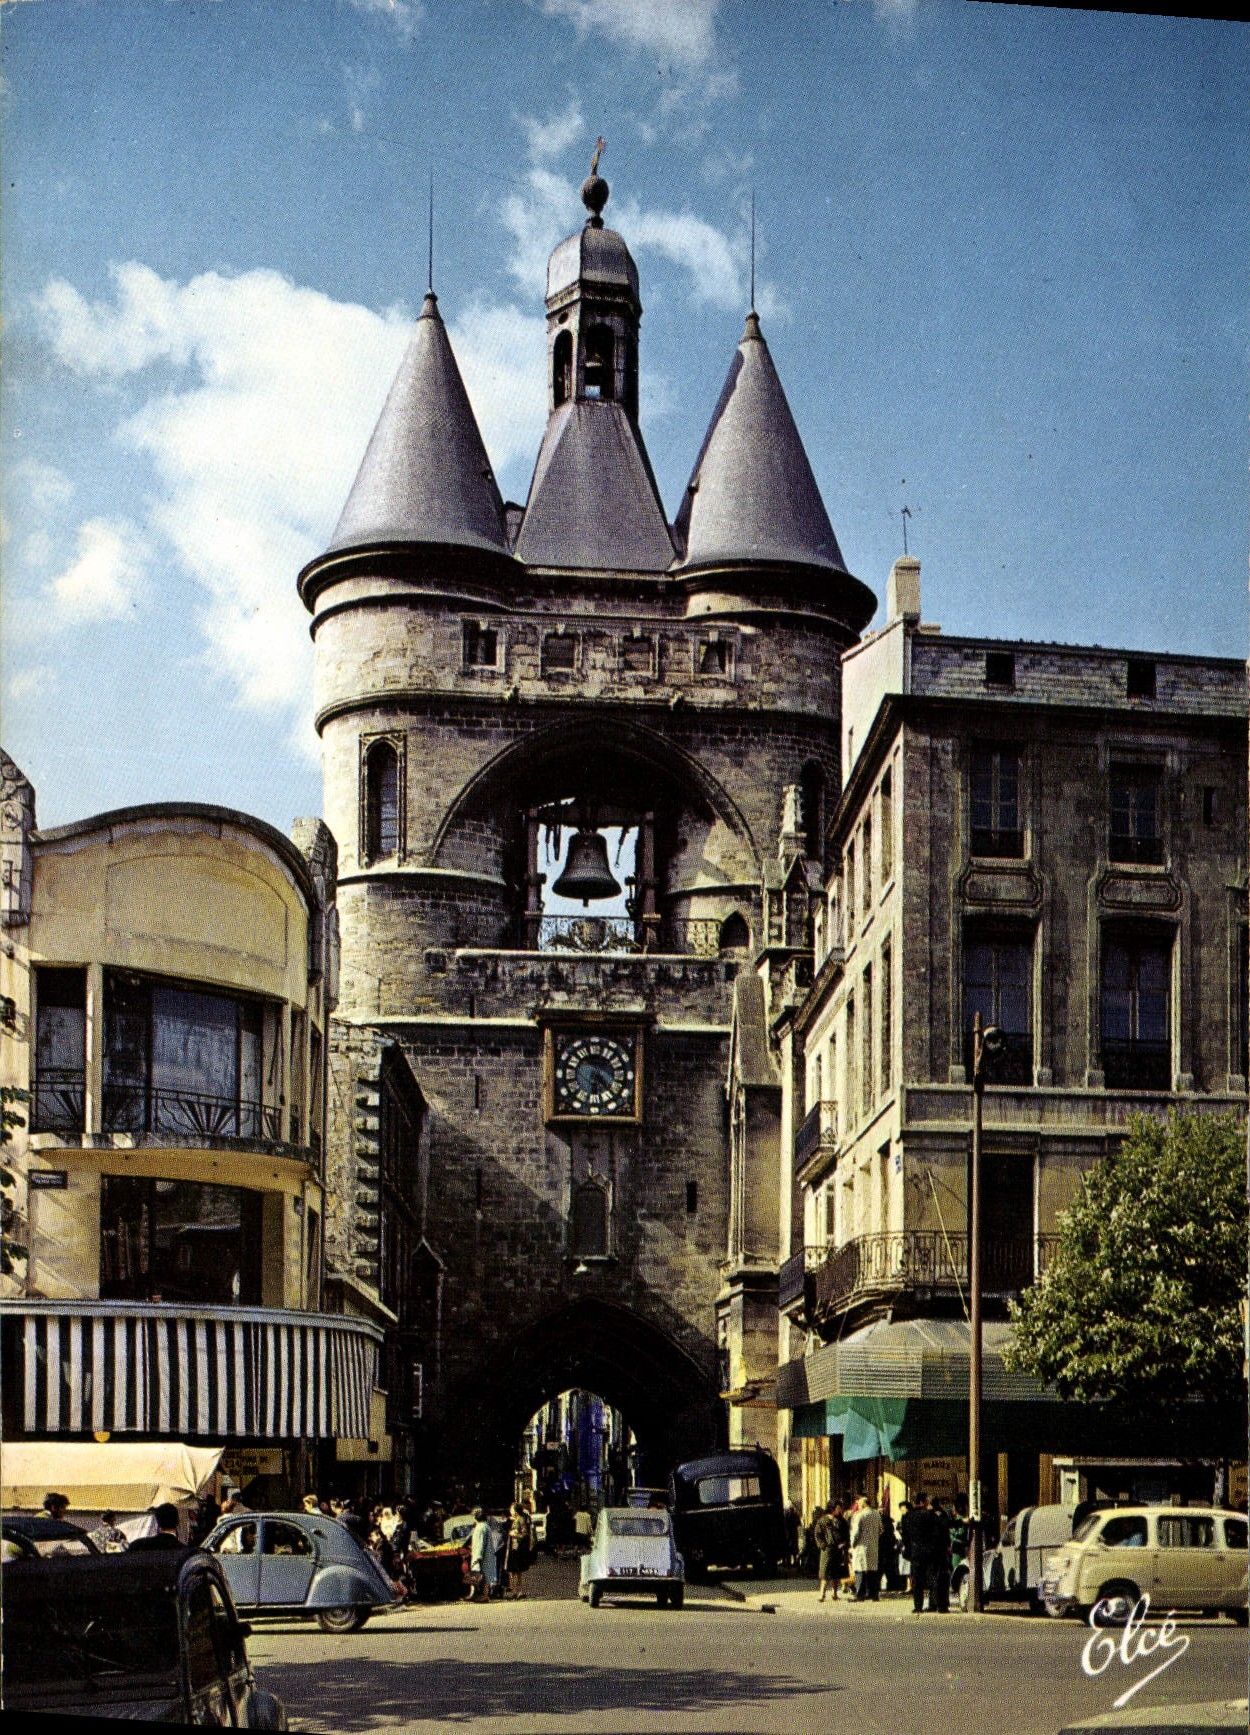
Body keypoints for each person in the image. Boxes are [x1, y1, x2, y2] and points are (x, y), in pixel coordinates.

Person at [900, 1492, 939, 1614]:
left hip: (915, 1552)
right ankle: (933, 1604)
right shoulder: (931, 1515)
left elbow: (905, 1536)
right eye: (926, 1501)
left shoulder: (907, 1516)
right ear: (922, 1502)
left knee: (917, 1581)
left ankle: (918, 1606)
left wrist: (908, 1550)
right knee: (932, 1579)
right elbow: (937, 1533)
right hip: (930, 1552)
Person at [850, 1494, 885, 1601]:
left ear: (864, 1504)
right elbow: (881, 1529)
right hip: (873, 1546)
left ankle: (860, 1594)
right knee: (872, 1570)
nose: (858, 1506)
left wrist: (852, 1545)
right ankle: (873, 1594)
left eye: (859, 1504)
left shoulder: (860, 1515)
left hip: (861, 1546)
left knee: (860, 1570)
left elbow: (856, 1532)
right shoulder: (876, 1514)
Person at [468, 1507, 497, 1601]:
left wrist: (478, 1557)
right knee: (486, 1576)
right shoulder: (485, 1526)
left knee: (480, 1575)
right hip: (487, 1554)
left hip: (482, 1556)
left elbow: (480, 1543)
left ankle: (482, 1596)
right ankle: (484, 1595)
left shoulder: (480, 1527)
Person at [505, 1500, 533, 1598]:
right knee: (515, 1571)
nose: (510, 1510)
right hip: (514, 1547)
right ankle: (517, 1591)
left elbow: (525, 1534)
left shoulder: (521, 1519)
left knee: (515, 1571)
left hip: (517, 1548)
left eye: (511, 1509)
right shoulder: (516, 1519)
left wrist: (514, 1534)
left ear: (516, 1510)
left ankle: (516, 1591)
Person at [812, 1506, 837, 1602]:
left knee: (836, 1573)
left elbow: (845, 1532)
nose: (839, 1510)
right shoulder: (823, 1521)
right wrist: (823, 1545)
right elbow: (817, 1534)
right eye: (838, 1508)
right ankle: (822, 1593)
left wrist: (844, 1543)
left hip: (838, 1548)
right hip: (827, 1549)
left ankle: (835, 1594)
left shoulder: (840, 1520)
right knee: (825, 1572)